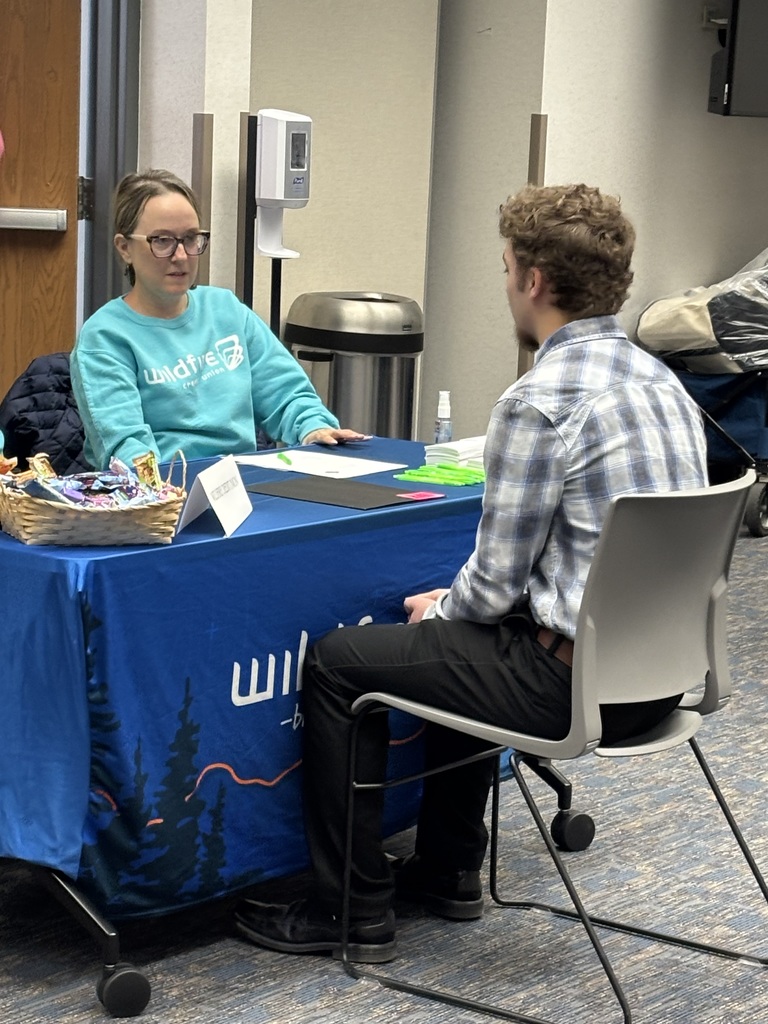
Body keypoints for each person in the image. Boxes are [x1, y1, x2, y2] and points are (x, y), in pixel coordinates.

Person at [234, 183, 710, 964]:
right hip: (657, 682)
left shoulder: (539, 401)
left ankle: (350, 909)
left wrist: (446, 606)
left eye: (505, 269)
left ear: (531, 281)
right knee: (461, 633)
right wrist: (456, 610)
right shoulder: (668, 388)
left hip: (572, 686)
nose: (506, 285)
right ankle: (450, 869)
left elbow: (490, 588)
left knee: (338, 663)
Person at [70, 169, 366, 469]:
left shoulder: (225, 309)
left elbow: (286, 393)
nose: (182, 255)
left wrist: (313, 427)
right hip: (164, 495)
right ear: (125, 248)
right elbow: (126, 446)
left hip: (244, 484)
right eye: (162, 241)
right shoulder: (105, 336)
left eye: (190, 239)